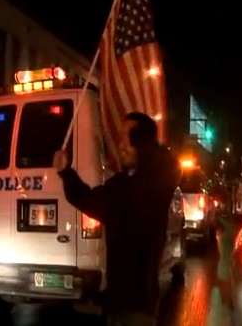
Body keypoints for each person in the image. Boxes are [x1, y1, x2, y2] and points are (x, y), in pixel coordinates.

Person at [53, 112, 180, 326]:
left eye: (128, 138)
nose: (120, 145)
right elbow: (89, 199)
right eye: (121, 138)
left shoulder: (150, 185)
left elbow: (171, 167)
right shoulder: (124, 185)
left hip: (138, 309)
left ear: (143, 143)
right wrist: (66, 172)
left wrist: (66, 172)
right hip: (118, 303)